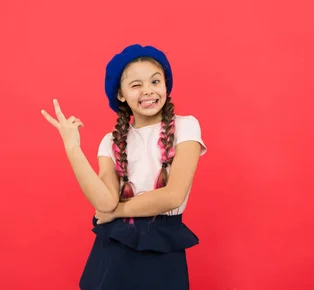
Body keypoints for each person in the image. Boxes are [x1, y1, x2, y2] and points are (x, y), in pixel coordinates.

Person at [40, 44, 207, 290]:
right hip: (114, 252)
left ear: (165, 85)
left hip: (163, 246)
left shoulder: (186, 126)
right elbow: (105, 203)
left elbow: (173, 195)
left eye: (155, 81)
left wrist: (117, 212)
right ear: (120, 94)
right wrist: (73, 148)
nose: (148, 91)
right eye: (136, 85)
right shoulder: (110, 142)